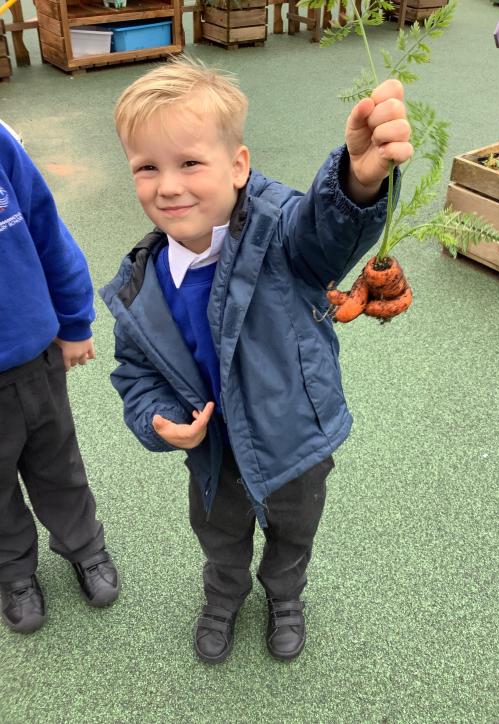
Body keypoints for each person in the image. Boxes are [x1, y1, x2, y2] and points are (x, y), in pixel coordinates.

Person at [100, 56, 412, 663]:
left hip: (295, 439)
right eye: (147, 167)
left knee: (294, 531)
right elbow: (135, 373)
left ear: (238, 166)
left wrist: (359, 180)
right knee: (219, 534)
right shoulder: (142, 284)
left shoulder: (280, 233)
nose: (168, 186)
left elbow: (323, 233)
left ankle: (285, 595)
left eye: (190, 163)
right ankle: (224, 595)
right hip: (215, 453)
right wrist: (161, 421)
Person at [0, 122, 119, 634]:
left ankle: (83, 545)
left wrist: (73, 322)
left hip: (34, 356)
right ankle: (14, 571)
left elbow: (46, 229)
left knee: (57, 462)